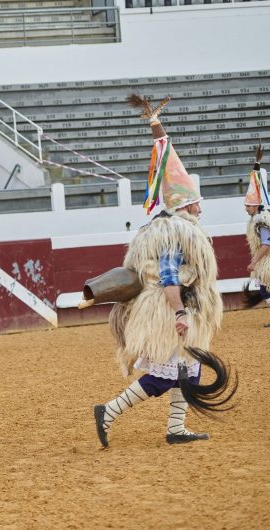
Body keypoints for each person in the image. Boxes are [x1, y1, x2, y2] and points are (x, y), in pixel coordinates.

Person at [94, 96, 231, 448]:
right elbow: (170, 276)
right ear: (185, 204)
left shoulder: (169, 228)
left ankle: (176, 428)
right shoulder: (176, 232)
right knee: (163, 375)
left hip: (177, 307)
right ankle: (108, 411)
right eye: (196, 200)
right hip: (171, 309)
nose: (201, 205)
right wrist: (181, 311)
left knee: (186, 370)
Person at [244, 147, 270, 308]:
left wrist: (254, 261)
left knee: (265, 287)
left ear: (255, 206)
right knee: (264, 286)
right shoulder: (258, 218)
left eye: (248, 205)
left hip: (267, 260)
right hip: (265, 260)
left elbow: (267, 243)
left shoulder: (262, 220)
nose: (246, 208)